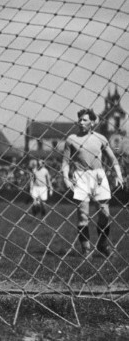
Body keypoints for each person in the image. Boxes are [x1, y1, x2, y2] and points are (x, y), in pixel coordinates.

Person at [62, 108, 124, 258]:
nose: (81, 122)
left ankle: (102, 244)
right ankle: (86, 250)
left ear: (92, 122)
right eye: (80, 120)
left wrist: (119, 175)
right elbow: (65, 162)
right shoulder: (71, 139)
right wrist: (65, 178)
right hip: (80, 177)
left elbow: (113, 159)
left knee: (105, 214)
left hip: (99, 177)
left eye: (84, 120)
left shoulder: (100, 138)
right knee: (83, 215)